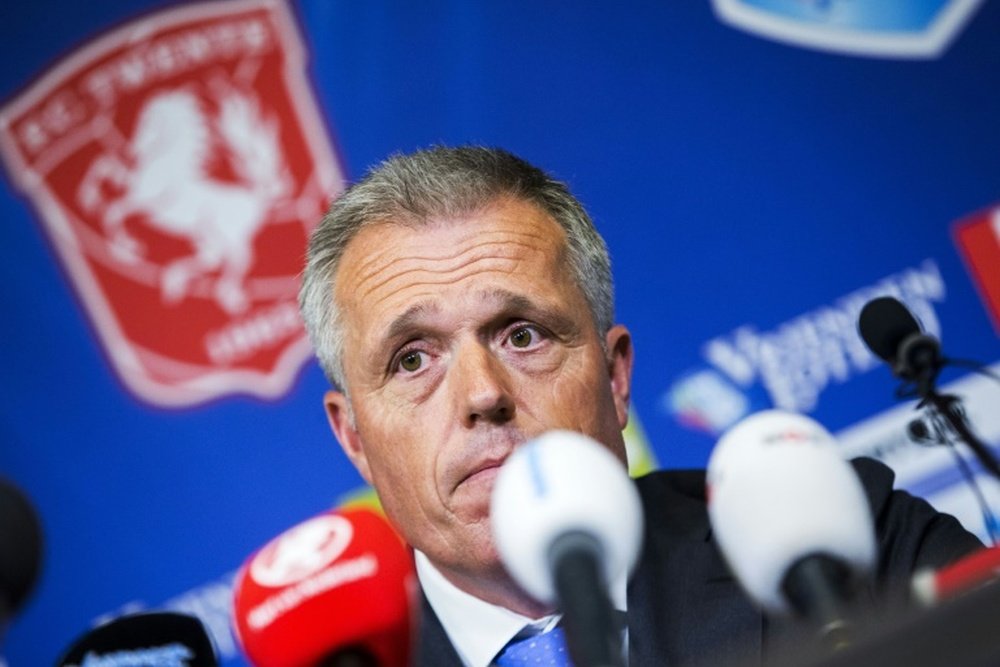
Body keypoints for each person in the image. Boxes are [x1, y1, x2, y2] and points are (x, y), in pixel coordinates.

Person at [298, 146, 982, 666]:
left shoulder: (836, 542)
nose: (483, 394)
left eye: (522, 334)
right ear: (353, 435)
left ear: (616, 376)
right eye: (413, 358)